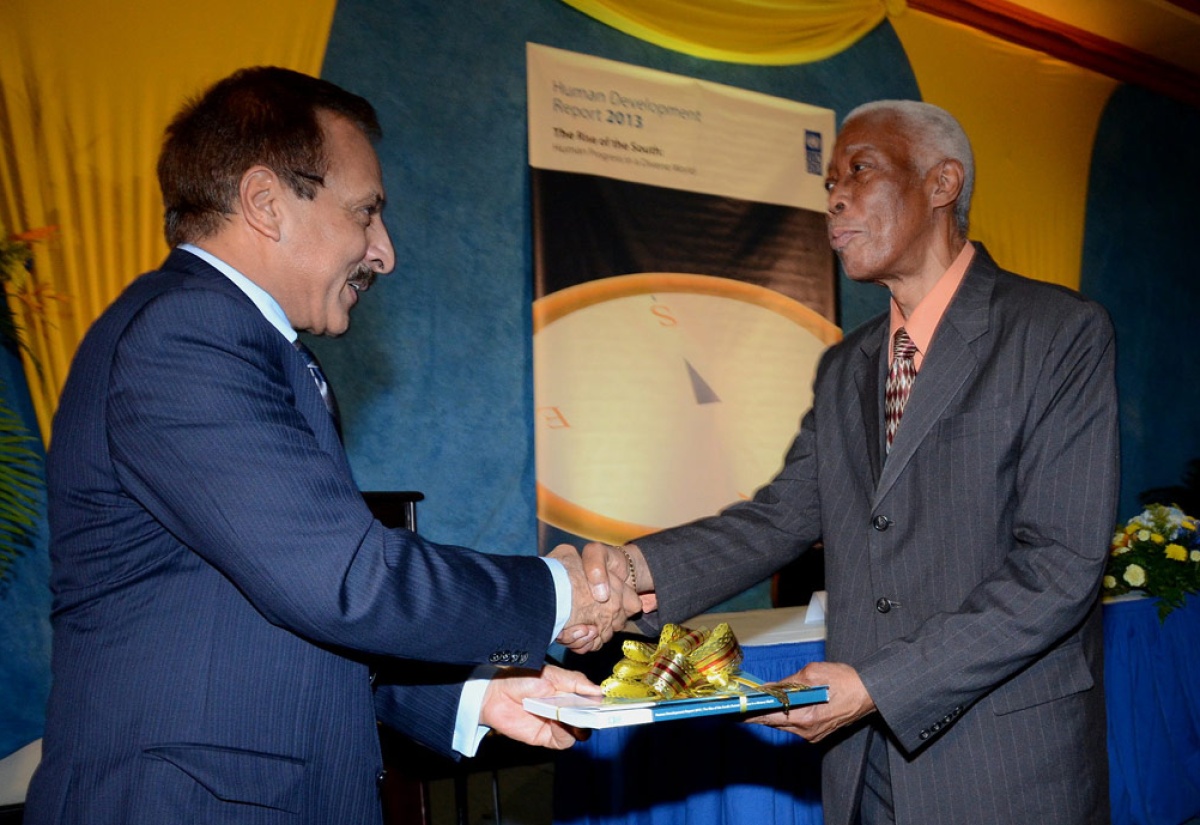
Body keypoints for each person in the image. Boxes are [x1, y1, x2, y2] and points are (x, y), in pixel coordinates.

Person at [26, 66, 638, 824]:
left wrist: (473, 696)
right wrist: (558, 592)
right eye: (366, 212)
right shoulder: (183, 335)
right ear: (264, 202)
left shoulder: (257, 346)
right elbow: (345, 580)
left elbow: (283, 612)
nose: (384, 251)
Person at [578, 100, 1119, 825]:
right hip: (864, 766)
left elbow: (1059, 565)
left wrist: (880, 683)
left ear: (941, 183)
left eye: (858, 171)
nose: (833, 197)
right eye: (829, 181)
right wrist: (629, 573)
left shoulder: (1058, 334)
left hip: (1004, 762)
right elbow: (778, 519)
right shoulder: (845, 366)